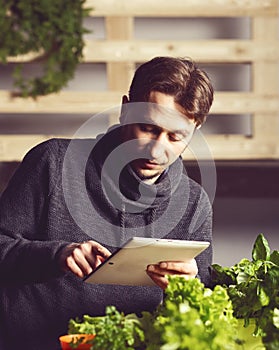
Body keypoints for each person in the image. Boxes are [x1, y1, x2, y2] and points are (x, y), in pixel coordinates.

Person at [0, 56, 214, 349]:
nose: (156, 150)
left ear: (195, 130)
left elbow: (203, 306)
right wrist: (56, 255)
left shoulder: (194, 204)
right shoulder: (52, 162)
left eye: (175, 137)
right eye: (148, 128)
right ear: (125, 110)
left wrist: (190, 289)